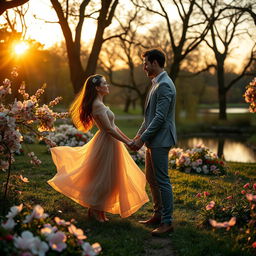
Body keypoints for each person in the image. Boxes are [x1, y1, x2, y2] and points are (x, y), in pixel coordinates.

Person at [48, 74, 149, 222]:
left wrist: (130, 140)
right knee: (104, 178)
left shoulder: (100, 104)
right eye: (104, 83)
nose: (107, 86)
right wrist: (128, 143)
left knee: (111, 178)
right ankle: (96, 210)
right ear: (97, 88)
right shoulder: (97, 105)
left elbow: (114, 126)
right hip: (106, 143)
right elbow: (108, 129)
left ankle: (97, 210)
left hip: (112, 143)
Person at [130, 48, 177, 235]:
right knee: (151, 178)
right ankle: (157, 215)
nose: (144, 67)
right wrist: (138, 135)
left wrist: (143, 139)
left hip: (161, 139)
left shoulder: (165, 84)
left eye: (146, 63)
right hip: (153, 139)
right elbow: (148, 117)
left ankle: (167, 222)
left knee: (162, 180)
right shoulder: (156, 83)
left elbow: (159, 118)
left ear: (155, 63)